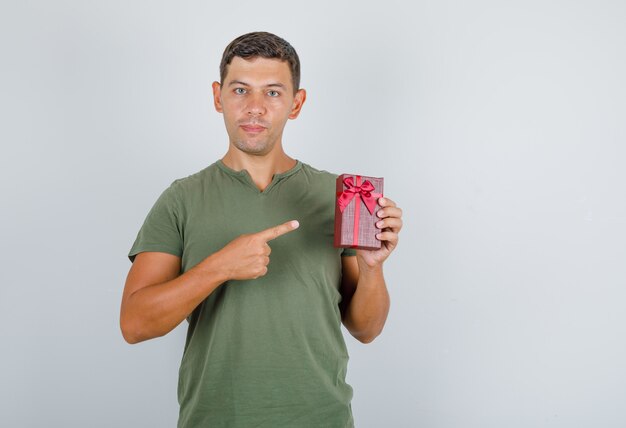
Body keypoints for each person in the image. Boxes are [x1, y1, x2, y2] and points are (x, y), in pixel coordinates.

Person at [120, 31, 403, 427]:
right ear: (218, 97)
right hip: (215, 419)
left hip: (321, 418)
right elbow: (134, 324)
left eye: (272, 92)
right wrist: (219, 266)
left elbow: (366, 329)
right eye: (240, 90)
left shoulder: (338, 195)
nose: (254, 108)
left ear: (296, 103)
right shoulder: (181, 199)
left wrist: (373, 267)